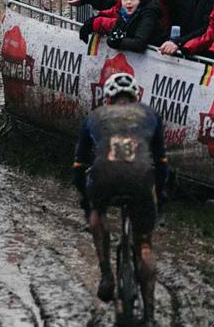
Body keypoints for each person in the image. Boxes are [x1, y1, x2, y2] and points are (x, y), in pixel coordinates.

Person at [73, 72, 167, 323]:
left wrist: (85, 197)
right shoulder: (150, 115)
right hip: (141, 180)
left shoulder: (94, 116)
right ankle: (148, 314)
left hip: (106, 178)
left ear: (108, 98)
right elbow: (161, 162)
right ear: (136, 97)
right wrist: (162, 194)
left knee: (96, 213)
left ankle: (106, 274)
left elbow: (79, 163)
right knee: (144, 244)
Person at [81, 0, 166, 52]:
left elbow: (139, 43)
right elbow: (113, 37)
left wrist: (118, 41)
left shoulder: (149, 14)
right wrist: (116, 40)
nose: (128, 2)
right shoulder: (124, 13)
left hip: (158, 55)